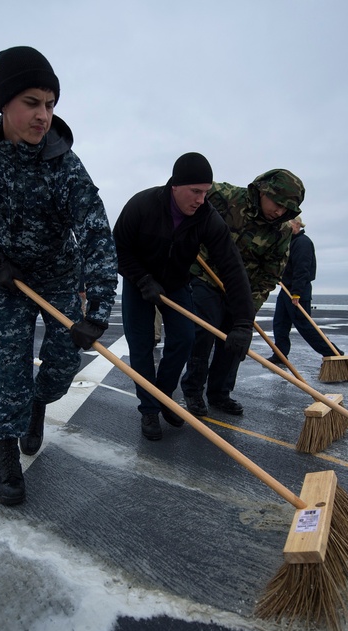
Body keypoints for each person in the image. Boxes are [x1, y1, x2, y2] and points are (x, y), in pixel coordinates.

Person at [0, 46, 117, 506]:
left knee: (59, 369)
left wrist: (97, 309)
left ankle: (40, 405)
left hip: (58, 277)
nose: (44, 116)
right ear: (4, 104)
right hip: (9, 279)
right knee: (11, 360)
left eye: (51, 104)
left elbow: (94, 230)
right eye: (33, 103)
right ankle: (5, 450)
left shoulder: (65, 164)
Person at [113, 152, 254, 441]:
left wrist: (243, 322)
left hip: (176, 283)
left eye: (206, 192)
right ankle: (149, 409)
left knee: (185, 338)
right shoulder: (143, 205)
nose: (201, 199)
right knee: (140, 346)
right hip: (139, 283)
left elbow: (232, 265)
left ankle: (163, 398)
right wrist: (142, 279)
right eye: (195, 191)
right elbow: (118, 248)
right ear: (175, 185)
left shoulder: (207, 218)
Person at [180, 169, 304, 417]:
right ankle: (193, 391)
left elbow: (269, 274)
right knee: (204, 331)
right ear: (262, 191)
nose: (279, 211)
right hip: (206, 276)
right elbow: (188, 199)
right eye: (277, 203)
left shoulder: (281, 231)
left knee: (235, 340)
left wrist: (247, 312)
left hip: (242, 290)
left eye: (286, 208)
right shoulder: (224, 195)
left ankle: (220, 394)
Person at [272, 216, 342, 359]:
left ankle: (332, 352)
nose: (285, 227)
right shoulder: (288, 242)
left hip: (298, 290)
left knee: (305, 325)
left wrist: (296, 293)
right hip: (285, 289)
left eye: (288, 224)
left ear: (297, 225)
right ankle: (280, 354)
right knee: (280, 324)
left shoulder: (303, 243)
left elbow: (302, 270)